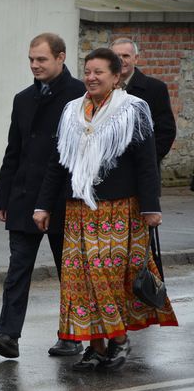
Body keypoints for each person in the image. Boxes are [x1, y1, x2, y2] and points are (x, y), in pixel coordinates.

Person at [33, 48, 178, 372]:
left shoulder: (132, 109)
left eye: (99, 72)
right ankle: (96, 347)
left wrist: (151, 207)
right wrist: (43, 205)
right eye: (88, 71)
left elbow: (146, 162)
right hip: (78, 211)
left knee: (107, 278)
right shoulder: (72, 111)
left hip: (118, 210)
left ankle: (118, 339)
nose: (91, 77)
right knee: (78, 280)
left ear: (116, 77)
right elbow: (58, 163)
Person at [0, 33, 85, 359]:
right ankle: (8, 336)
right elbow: (15, 152)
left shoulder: (79, 95)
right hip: (25, 199)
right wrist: (3, 198)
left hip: (63, 199)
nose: (35, 65)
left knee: (68, 271)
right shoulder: (23, 98)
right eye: (31, 59)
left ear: (60, 57)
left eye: (41, 59)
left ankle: (71, 336)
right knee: (17, 271)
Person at [110, 38, 176, 165]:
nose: (121, 60)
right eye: (116, 56)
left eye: (126, 56)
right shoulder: (102, 88)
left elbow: (166, 132)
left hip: (141, 169)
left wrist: (147, 160)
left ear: (136, 58)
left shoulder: (155, 89)